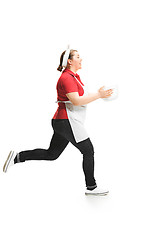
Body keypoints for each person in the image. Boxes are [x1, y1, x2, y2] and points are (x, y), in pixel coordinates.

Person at [3, 46, 113, 196]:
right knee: (88, 151)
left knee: (52, 154)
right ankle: (91, 187)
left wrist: (100, 94)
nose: (81, 59)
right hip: (67, 121)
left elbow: (79, 98)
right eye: (78, 57)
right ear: (69, 61)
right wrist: (99, 95)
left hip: (62, 121)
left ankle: (17, 157)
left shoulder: (73, 77)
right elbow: (76, 101)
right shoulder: (66, 78)